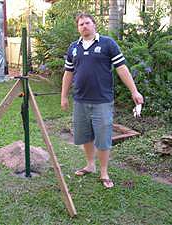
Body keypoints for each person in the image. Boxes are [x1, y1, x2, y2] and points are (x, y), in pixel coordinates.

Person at [61, 13, 144, 188]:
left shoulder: (107, 44)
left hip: (102, 101)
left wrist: (134, 91)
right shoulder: (73, 48)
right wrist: (63, 96)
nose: (84, 26)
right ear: (78, 28)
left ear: (94, 24)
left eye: (87, 23)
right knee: (85, 135)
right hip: (80, 101)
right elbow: (68, 73)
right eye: (81, 24)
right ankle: (90, 165)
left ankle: (104, 172)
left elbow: (122, 69)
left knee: (103, 138)